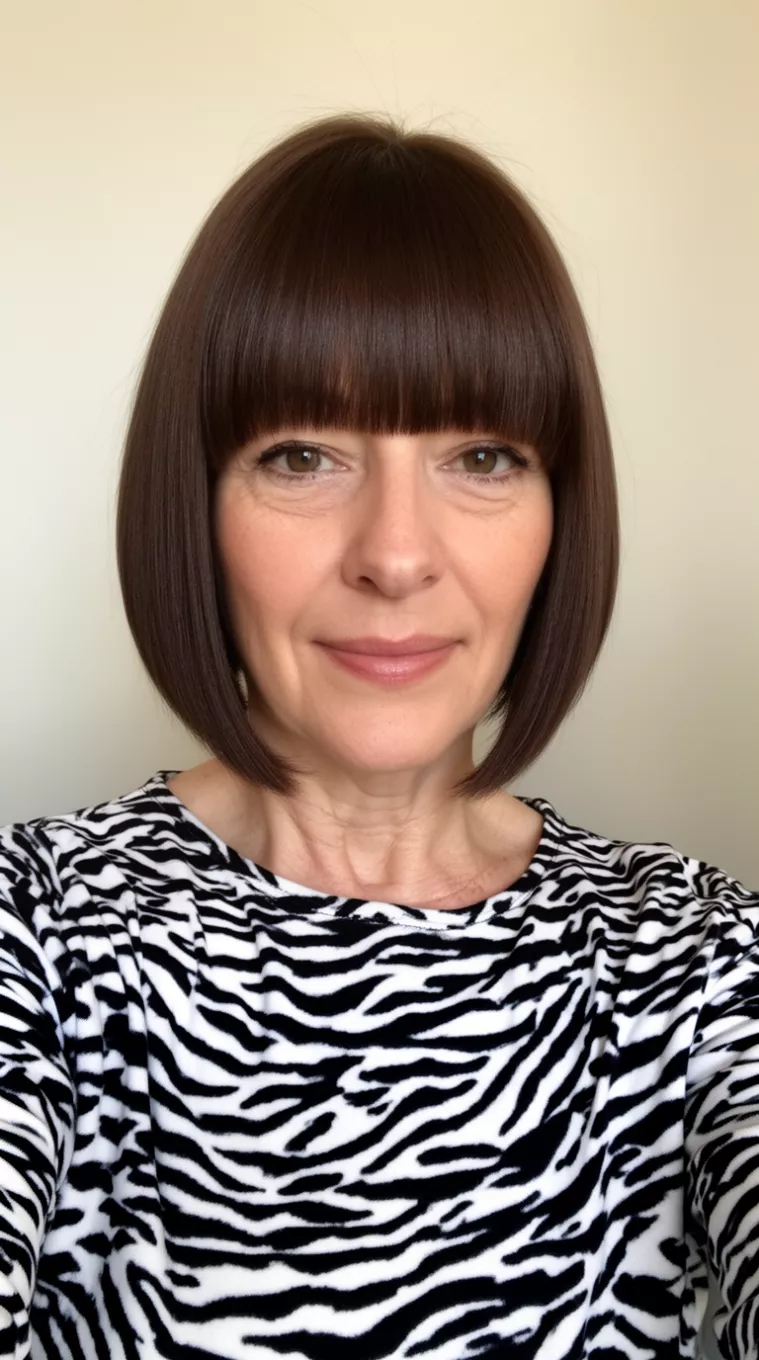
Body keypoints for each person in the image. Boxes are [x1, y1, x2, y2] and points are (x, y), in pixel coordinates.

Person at [0, 112, 756, 1360]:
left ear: (560, 516)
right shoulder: (37, 931)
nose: (397, 555)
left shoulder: (698, 957)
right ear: (195, 503)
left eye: (482, 456)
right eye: (302, 455)